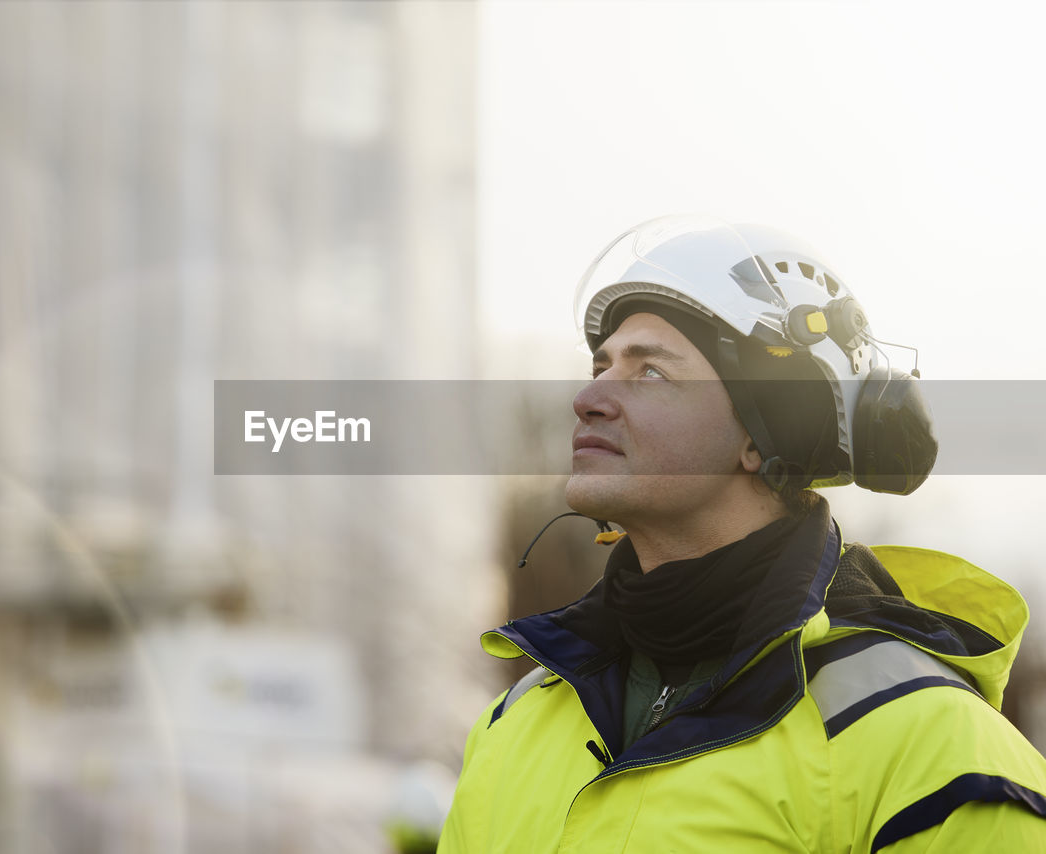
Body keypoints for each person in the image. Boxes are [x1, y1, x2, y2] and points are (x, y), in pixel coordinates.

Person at [438, 215, 1046, 852]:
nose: (588, 397)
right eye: (601, 363)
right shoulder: (513, 723)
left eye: (650, 373)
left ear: (763, 433)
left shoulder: (927, 746)